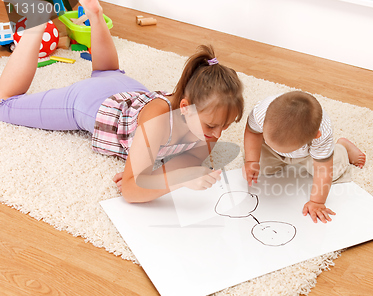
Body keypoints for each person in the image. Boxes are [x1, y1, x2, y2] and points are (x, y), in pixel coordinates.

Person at [0, 0, 244, 203]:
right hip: (94, 102)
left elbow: (173, 168)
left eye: (226, 125)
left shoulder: (207, 130)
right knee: (4, 105)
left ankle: (95, 15)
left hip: (130, 91)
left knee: (109, 72)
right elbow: (130, 190)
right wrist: (162, 179)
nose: (218, 134)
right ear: (184, 108)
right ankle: (36, 25)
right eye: (212, 125)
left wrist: (154, 173)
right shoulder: (158, 121)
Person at [242, 91, 366, 223]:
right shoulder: (261, 112)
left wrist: (317, 202)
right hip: (268, 148)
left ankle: (342, 147)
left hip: (308, 155)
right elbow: (252, 132)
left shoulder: (322, 135)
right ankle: (269, 148)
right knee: (259, 167)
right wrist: (252, 161)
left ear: (314, 136)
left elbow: (323, 170)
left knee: (334, 172)